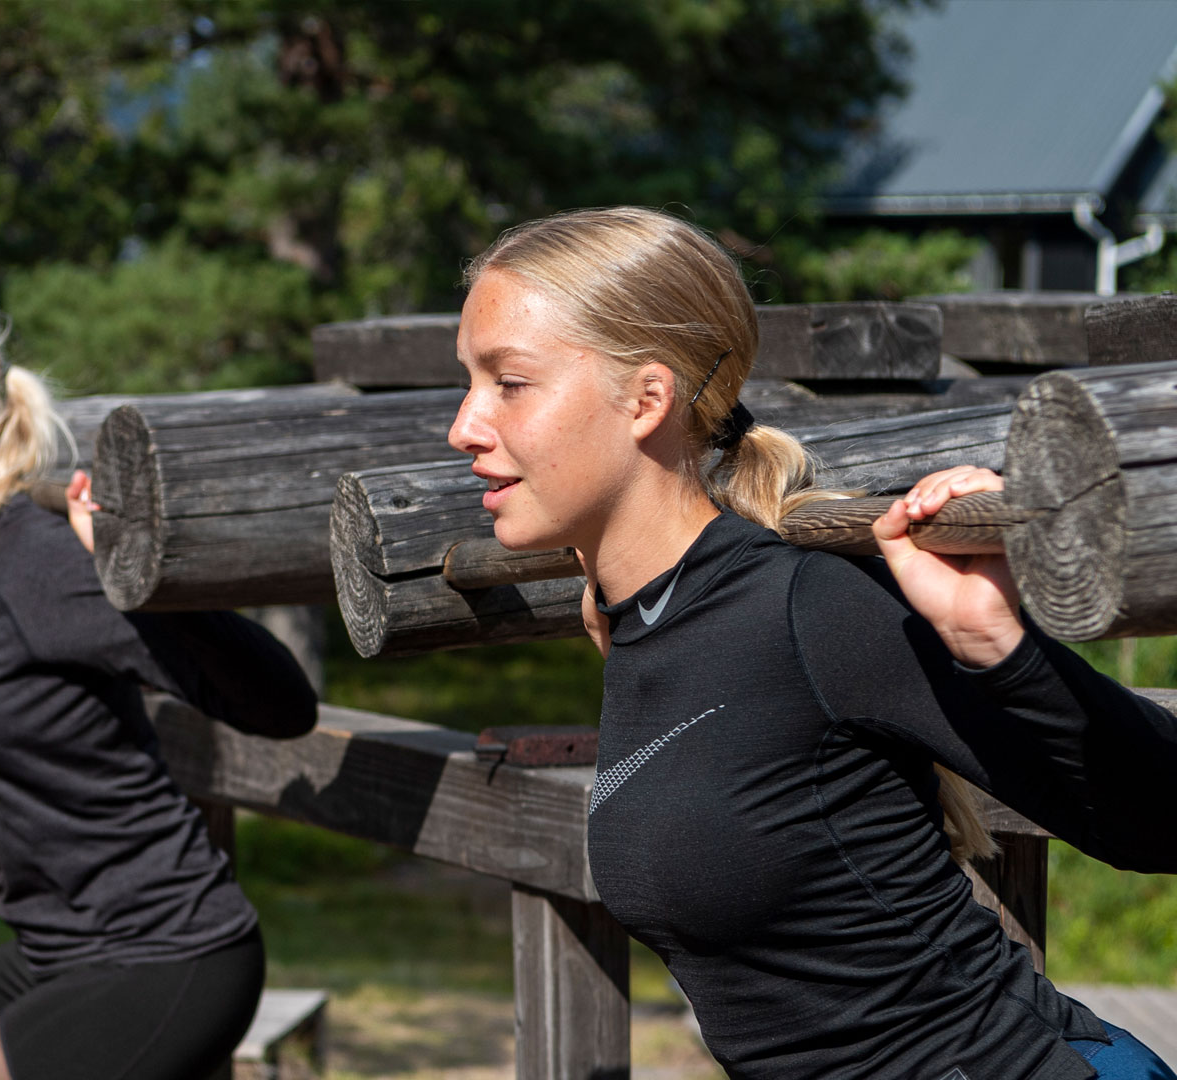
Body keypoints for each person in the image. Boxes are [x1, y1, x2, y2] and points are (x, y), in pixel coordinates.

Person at [446, 206, 1177, 1079]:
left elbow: (1159, 823)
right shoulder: (641, 616)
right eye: (469, 383)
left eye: (509, 384)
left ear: (647, 398)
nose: (464, 427)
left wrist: (1000, 647)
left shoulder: (810, 607)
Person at [0, 269, 318, 1080]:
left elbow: (282, 706)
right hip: (56, 954)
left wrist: (136, 578)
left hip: (169, 955)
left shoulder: (36, 559)